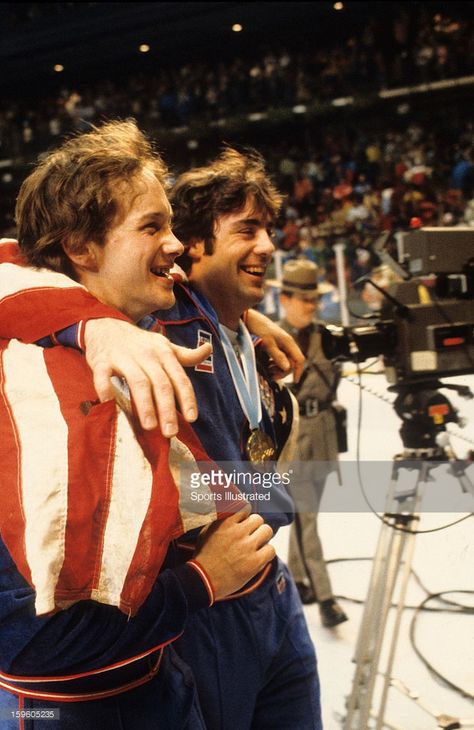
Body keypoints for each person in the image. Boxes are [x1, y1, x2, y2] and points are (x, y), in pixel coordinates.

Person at [1, 139, 322, 729]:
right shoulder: (131, 337)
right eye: (247, 230)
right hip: (186, 622)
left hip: (247, 600)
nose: (269, 247)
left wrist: (249, 320)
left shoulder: (222, 330)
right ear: (198, 252)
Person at [279, 259, 348, 628]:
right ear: (285, 299)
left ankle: (299, 578)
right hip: (291, 440)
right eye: (304, 298)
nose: (312, 305)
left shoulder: (329, 337)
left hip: (322, 436)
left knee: (308, 515)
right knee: (306, 519)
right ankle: (326, 598)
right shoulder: (268, 338)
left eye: (315, 299)